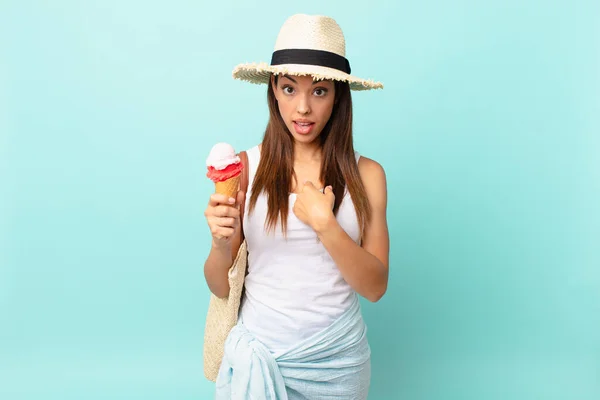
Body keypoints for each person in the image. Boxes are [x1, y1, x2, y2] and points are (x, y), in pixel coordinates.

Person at [203, 14, 389, 399]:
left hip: (337, 364)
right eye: (290, 89)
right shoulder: (246, 168)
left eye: (319, 91)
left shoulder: (367, 175)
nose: (302, 108)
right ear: (273, 89)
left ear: (338, 94)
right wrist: (222, 246)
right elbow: (221, 285)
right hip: (261, 358)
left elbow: (375, 287)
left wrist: (327, 227)